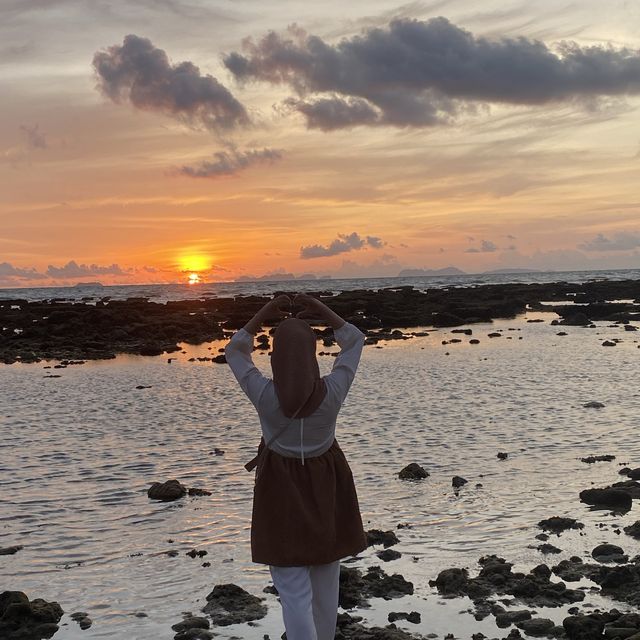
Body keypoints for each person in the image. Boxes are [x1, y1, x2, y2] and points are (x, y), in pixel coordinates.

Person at [225, 292, 367, 640]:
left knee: (293, 594)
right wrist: (322, 311)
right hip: (327, 486)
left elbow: (234, 351)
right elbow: (354, 341)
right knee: (325, 589)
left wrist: (263, 314)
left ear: (275, 358)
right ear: (311, 356)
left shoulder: (265, 395)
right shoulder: (332, 391)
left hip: (280, 490)